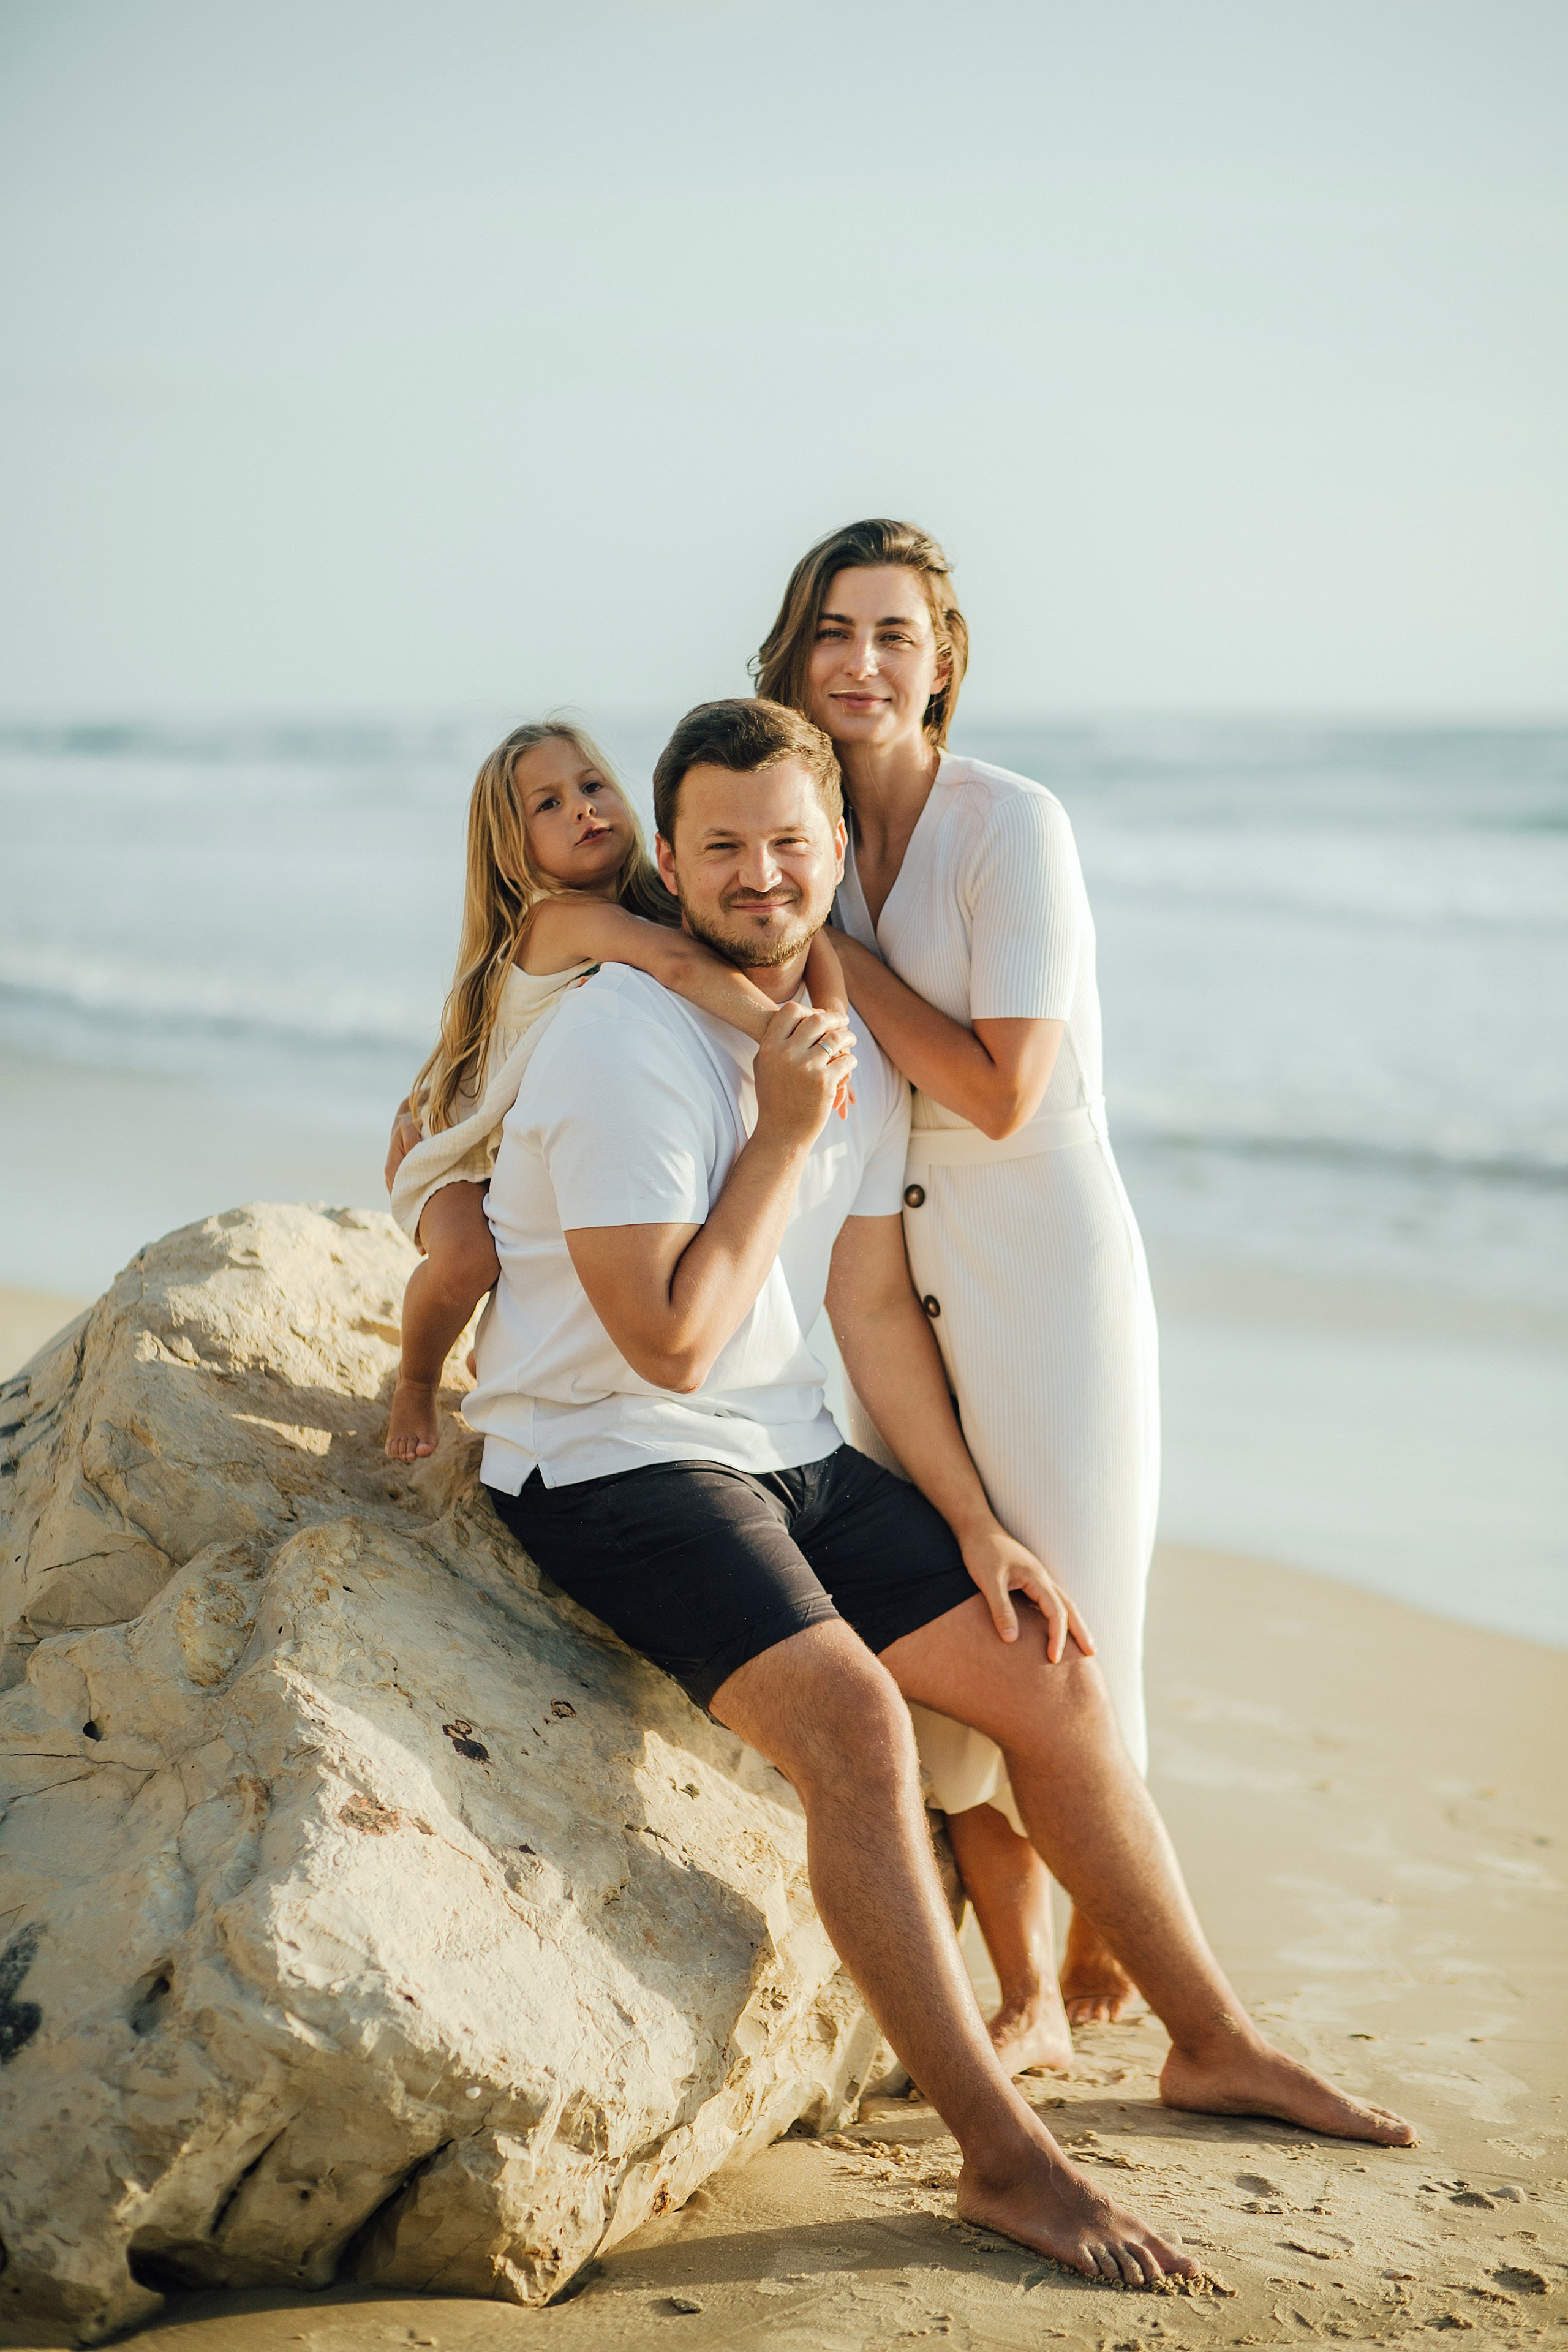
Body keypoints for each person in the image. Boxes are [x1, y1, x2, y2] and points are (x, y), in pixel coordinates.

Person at [465, 695, 1414, 2288]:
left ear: (835, 853)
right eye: (721, 848)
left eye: (789, 844)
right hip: (612, 1456)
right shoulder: (622, 1043)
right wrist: (778, 1127)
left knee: (1046, 1666)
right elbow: (670, 1343)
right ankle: (1007, 2164)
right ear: (675, 863)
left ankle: (1215, 2041)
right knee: (859, 1727)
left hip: (788, 1453)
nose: (760, 874)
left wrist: (979, 1530)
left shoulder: (841, 1024)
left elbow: (868, 1306)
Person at [755, 518, 1156, 2064]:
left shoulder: (1011, 824)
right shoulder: (807, 833)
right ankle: (1027, 1988)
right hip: (889, 1265)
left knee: (1066, 1602)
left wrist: (835, 972)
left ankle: (1101, 1921)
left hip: (1040, 1261)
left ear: (943, 663)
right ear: (793, 655)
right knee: (944, 1590)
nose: (860, 664)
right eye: (832, 633)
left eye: (893, 637)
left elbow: (999, 1088)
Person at [382, 718, 851, 1463]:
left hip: (533, 1146)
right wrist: (784, 1041)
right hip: (466, 1147)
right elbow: (676, 967)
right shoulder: (557, 919)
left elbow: (816, 940)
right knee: (469, 1261)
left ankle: (508, 1346)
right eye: (547, 804)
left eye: (592, 785)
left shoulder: (655, 902)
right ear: (510, 850)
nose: (580, 807)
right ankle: (413, 1378)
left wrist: (827, 1028)